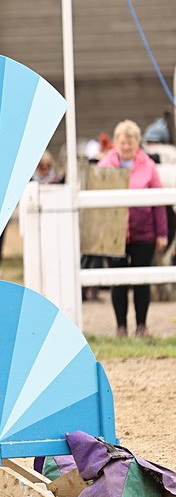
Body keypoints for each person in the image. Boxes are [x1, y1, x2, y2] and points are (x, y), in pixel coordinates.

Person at [98, 120, 168, 337]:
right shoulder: (104, 166)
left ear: (138, 143)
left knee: (141, 280)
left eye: (131, 142)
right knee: (117, 282)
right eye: (122, 142)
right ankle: (120, 326)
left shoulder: (149, 166)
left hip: (143, 234)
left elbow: (159, 203)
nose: (126, 146)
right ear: (116, 143)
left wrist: (162, 233)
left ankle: (141, 325)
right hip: (114, 234)